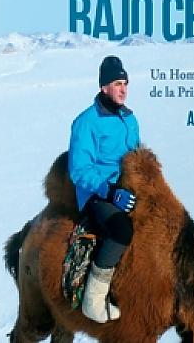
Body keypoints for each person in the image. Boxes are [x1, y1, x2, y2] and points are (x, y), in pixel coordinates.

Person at [68, 55, 139, 323]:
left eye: (126, 83)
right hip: (98, 194)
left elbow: (136, 156)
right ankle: (93, 300)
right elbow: (79, 170)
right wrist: (109, 192)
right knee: (121, 230)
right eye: (117, 83)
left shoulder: (129, 119)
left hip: (126, 189)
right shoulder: (86, 122)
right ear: (104, 87)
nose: (123, 89)